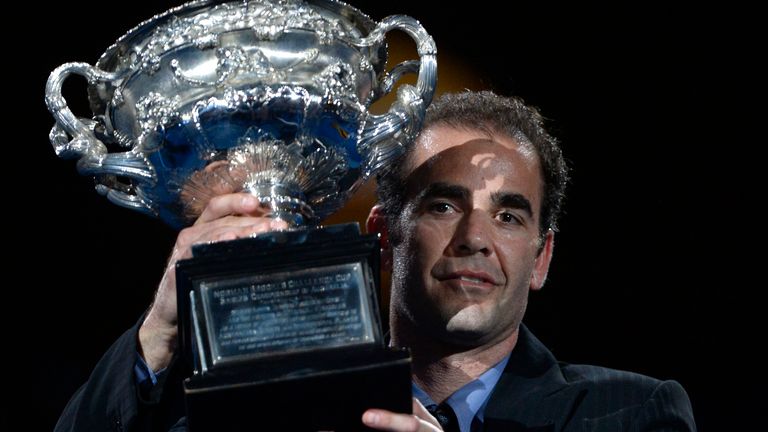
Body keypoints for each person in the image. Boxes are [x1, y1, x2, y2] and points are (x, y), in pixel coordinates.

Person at [54, 91, 696, 432]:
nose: (476, 238)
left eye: (508, 215)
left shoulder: (632, 413)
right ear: (384, 234)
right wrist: (160, 329)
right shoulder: (261, 414)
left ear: (541, 258)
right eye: (443, 206)